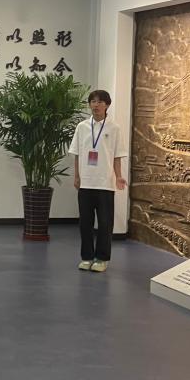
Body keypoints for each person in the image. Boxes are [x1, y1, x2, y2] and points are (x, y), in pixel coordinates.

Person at [70, 89, 127, 273]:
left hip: (105, 183)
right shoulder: (82, 127)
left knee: (105, 223)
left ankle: (102, 258)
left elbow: (117, 156)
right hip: (86, 182)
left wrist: (119, 176)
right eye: (93, 101)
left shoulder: (114, 128)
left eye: (100, 102)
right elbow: (77, 154)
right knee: (85, 223)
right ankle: (86, 257)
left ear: (107, 105)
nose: (96, 105)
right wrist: (77, 176)